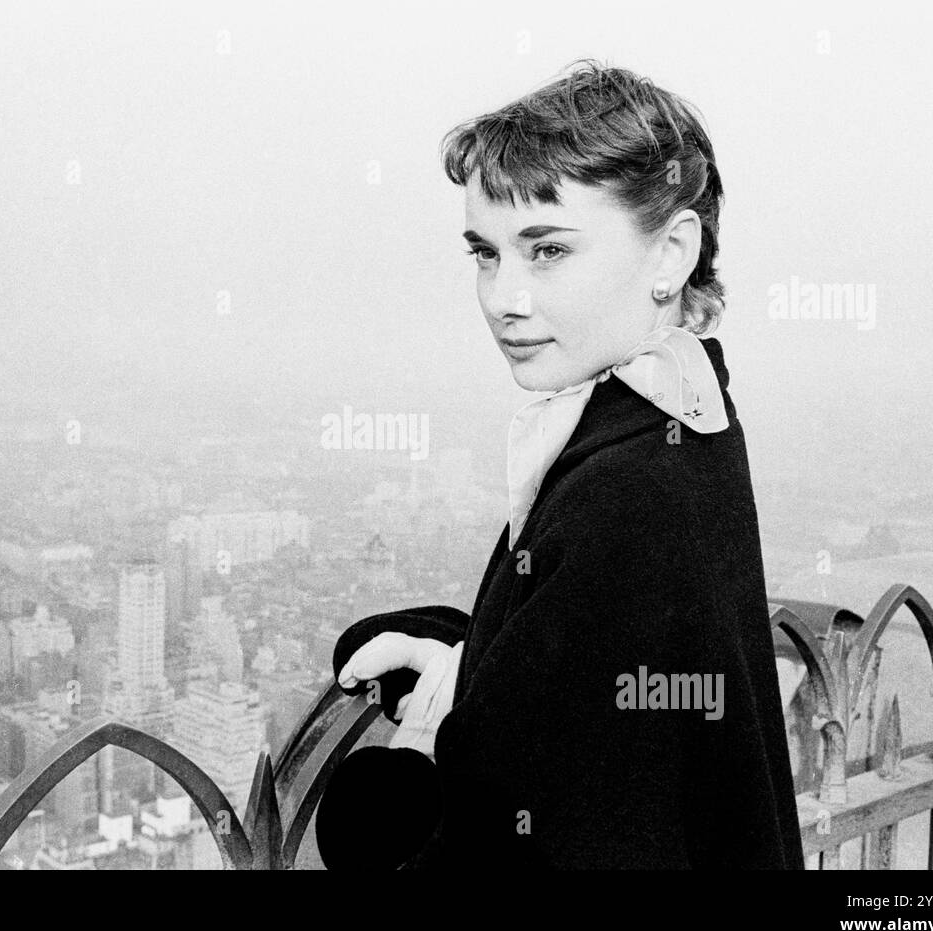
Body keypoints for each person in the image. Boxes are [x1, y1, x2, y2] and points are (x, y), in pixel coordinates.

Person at [328, 58, 804, 869]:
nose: (502, 298)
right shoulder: (679, 422)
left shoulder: (628, 492)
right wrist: (476, 665)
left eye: (546, 250)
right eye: (486, 254)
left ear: (671, 254)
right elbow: (607, 696)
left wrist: (407, 766)